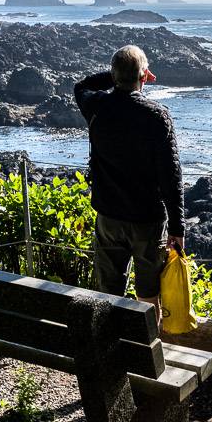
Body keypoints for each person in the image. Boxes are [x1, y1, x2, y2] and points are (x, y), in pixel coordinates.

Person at [73, 45, 185, 324]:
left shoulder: (96, 106)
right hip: (147, 219)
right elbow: (171, 176)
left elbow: (82, 85)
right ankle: (147, 353)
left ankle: (115, 351)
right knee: (148, 295)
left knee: (109, 293)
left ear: (114, 76)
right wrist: (177, 227)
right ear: (144, 77)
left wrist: (118, 74)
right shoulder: (157, 116)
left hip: (109, 216)